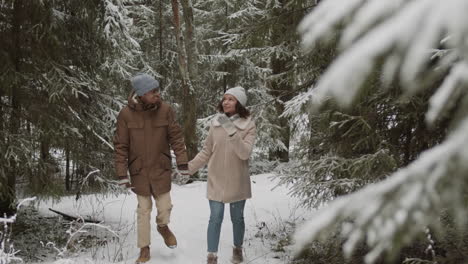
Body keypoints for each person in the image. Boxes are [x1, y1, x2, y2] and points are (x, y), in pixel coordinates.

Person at [113, 73, 189, 263]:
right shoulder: (125, 114)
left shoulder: (166, 110)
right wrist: (122, 173)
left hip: (160, 168)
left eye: (157, 90)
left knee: (165, 206)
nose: (157, 94)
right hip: (139, 171)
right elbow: (121, 145)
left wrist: (182, 163)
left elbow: (176, 138)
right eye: (153, 91)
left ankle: (163, 227)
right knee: (143, 210)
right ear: (141, 94)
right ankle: (144, 248)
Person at [188, 86, 256, 264]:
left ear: (239, 103)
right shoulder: (216, 123)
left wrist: (232, 132)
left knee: (237, 218)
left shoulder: (248, 124)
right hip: (216, 178)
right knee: (215, 217)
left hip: (237, 180)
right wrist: (188, 168)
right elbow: (206, 151)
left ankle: (237, 249)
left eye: (231, 99)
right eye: (224, 98)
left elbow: (245, 153)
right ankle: (211, 256)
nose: (226, 102)